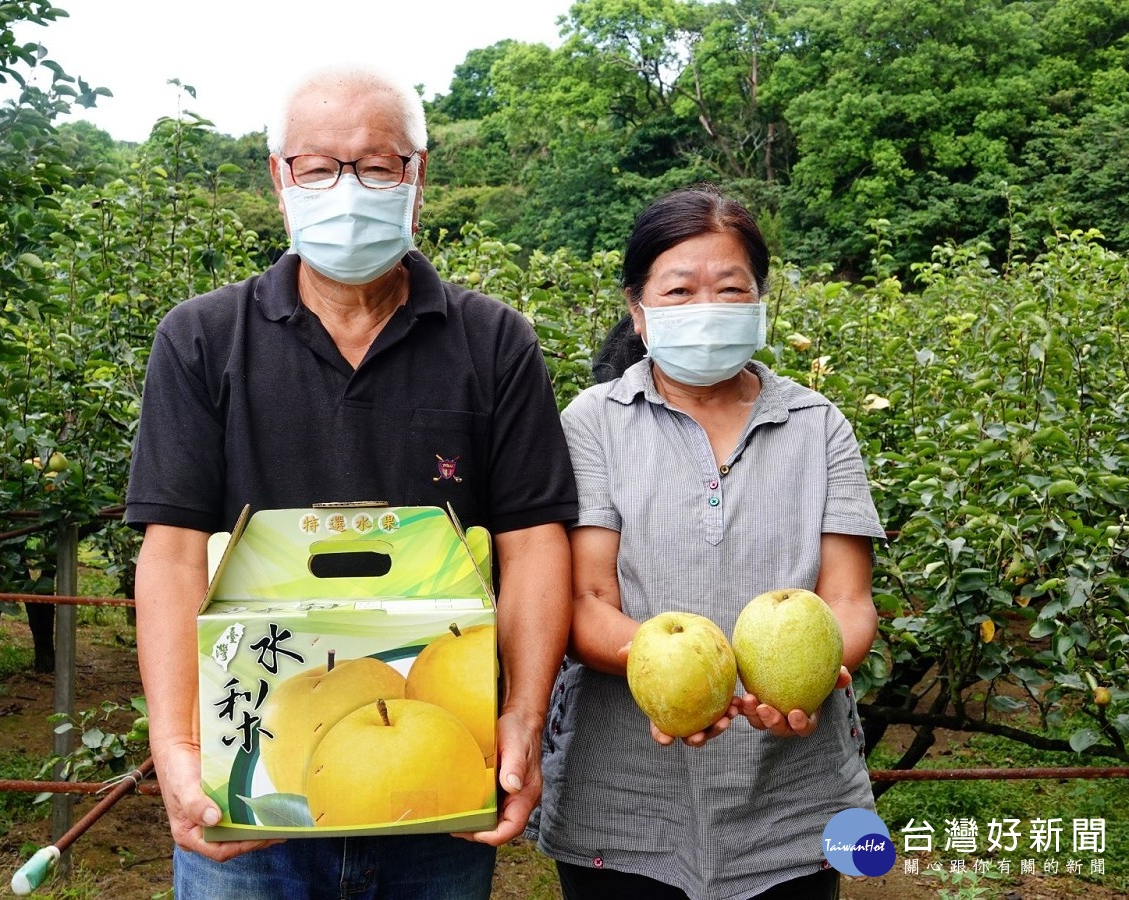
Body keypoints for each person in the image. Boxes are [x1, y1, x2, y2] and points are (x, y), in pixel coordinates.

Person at [125, 65, 577, 899]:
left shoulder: (493, 341)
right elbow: (174, 553)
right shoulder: (200, 339)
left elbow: (534, 542)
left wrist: (520, 721)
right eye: (318, 167)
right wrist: (178, 749)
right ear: (278, 178)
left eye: (376, 165)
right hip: (252, 788)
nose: (347, 188)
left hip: (437, 779)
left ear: (417, 177)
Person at [532, 184, 887, 899]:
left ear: (760, 302)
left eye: (730, 289)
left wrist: (800, 679)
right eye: (679, 290)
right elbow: (589, 597)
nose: (706, 309)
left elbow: (848, 600)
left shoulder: (819, 425)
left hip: (793, 793)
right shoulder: (593, 421)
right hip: (624, 794)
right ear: (638, 309)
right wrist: (685, 682)